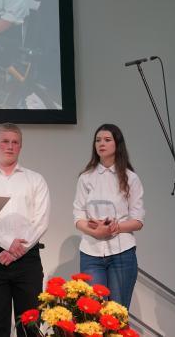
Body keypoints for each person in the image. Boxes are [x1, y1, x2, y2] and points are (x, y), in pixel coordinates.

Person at [0, 123, 50, 337]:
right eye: (5, 141)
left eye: (15, 142)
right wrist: (7, 243)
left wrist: (16, 251)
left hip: (28, 261)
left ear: (20, 146)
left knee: (30, 327)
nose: (10, 146)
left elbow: (41, 221)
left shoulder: (35, 180)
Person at [72, 123, 145, 309]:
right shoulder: (86, 177)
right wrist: (95, 231)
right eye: (98, 140)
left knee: (117, 313)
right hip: (91, 252)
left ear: (117, 144)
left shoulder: (130, 178)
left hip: (122, 253)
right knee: (93, 312)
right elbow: (78, 216)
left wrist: (116, 227)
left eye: (106, 140)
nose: (101, 144)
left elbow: (138, 221)